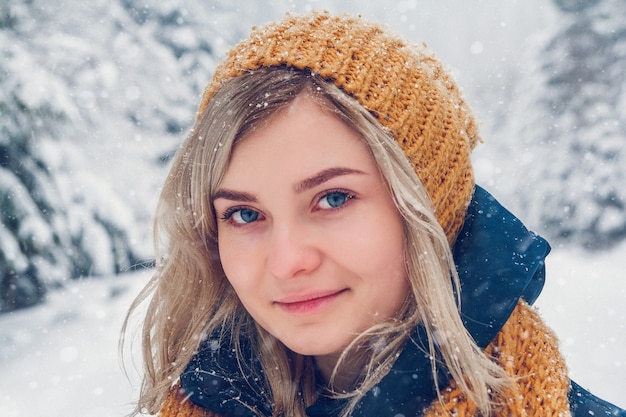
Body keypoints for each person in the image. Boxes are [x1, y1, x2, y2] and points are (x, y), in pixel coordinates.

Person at [122, 11, 625, 417]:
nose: (286, 262)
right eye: (245, 215)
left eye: (333, 198)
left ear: (428, 209)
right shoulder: (198, 397)